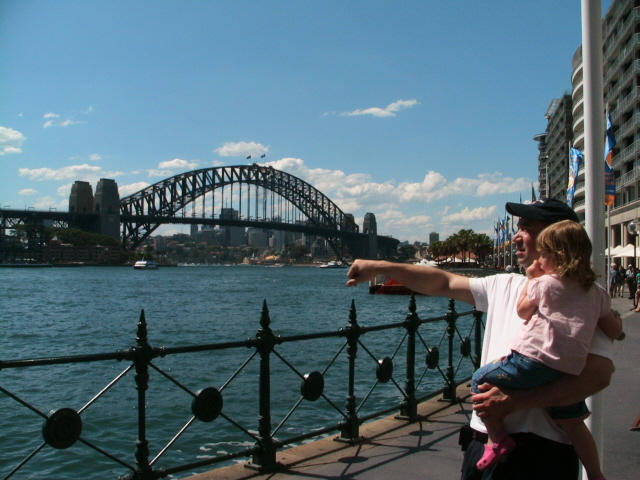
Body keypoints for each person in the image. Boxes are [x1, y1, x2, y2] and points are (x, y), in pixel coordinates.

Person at [345, 198, 616, 480]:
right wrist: (380, 267)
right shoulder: (505, 284)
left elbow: (598, 375)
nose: (516, 236)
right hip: (481, 444)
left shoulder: (581, 295)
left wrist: (514, 401)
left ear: (557, 237)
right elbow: (443, 282)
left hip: (539, 454)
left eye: (527, 227)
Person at [470, 220, 621, 479]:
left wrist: (532, 278)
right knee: (573, 423)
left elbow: (523, 310)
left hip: (531, 361)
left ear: (556, 256)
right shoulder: (596, 292)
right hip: (567, 370)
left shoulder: (546, 283)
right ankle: (595, 473)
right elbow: (612, 328)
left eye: (543, 254)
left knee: (479, 379)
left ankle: (496, 439)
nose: (539, 258)